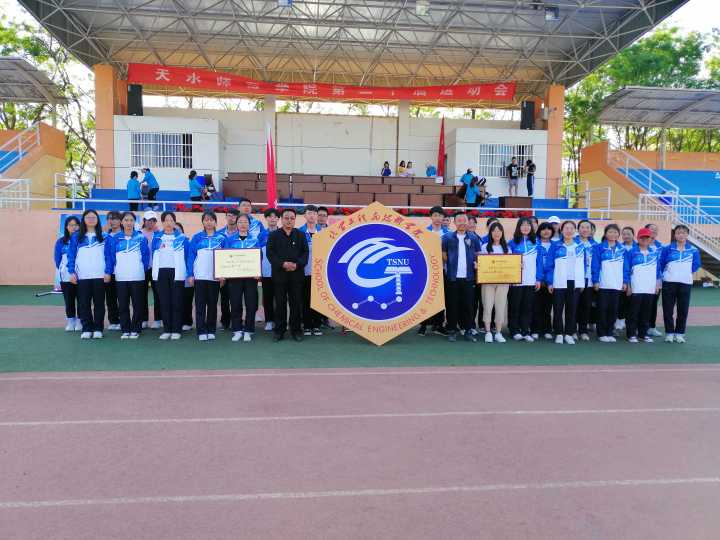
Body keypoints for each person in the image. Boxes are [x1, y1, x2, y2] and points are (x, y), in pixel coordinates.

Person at [104, 211, 150, 339]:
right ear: (121, 222)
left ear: (134, 222)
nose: (129, 223)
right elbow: (110, 257)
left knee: (137, 304)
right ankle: (125, 329)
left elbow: (146, 257)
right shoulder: (114, 239)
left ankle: (135, 328)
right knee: (123, 305)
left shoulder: (141, 238)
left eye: (131, 220)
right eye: (126, 220)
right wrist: (109, 271)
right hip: (121, 277)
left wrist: (140, 269)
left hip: (138, 277)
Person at [267, 208, 308, 342]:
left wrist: (297, 265)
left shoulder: (301, 235)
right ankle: (279, 331)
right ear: (281, 219)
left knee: (296, 304)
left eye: (292, 218)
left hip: (296, 275)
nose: (289, 220)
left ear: (295, 220)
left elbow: (305, 253)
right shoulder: (274, 235)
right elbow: (270, 254)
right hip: (279, 275)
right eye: (286, 218)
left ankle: (296, 330)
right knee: (280, 304)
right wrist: (283, 264)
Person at [223, 214, 264, 342]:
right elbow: (225, 257)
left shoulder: (254, 240)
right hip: (234, 278)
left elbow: (259, 256)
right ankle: (237, 329)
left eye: (245, 222)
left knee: (251, 304)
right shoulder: (230, 240)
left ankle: (248, 330)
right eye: (240, 222)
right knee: (235, 303)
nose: (243, 224)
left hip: (251, 277)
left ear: (249, 225)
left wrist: (257, 272)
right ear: (236, 224)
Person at [66, 209, 106, 339]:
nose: (91, 219)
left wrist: (108, 272)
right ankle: (87, 328)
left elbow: (109, 256)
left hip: (99, 275)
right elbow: (71, 255)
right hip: (82, 276)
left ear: (97, 220)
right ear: (83, 220)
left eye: (94, 217)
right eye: (88, 217)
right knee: (84, 304)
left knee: (99, 304)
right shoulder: (76, 237)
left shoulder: (104, 236)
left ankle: (98, 328)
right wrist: (71, 272)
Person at [442, 212, 481, 342]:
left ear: (467, 222)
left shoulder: (473, 238)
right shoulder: (447, 237)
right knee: (452, 305)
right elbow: (443, 255)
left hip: (469, 278)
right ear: (454, 222)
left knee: (468, 306)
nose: (462, 223)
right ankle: (452, 330)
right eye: (459, 220)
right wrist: (450, 265)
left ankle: (468, 330)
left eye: (464, 220)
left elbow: (478, 254)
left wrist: (477, 263)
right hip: (452, 278)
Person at [546, 220, 585, 345]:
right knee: (557, 309)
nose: (569, 231)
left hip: (575, 282)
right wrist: (550, 282)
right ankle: (558, 333)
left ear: (575, 231)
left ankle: (568, 334)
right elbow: (549, 265)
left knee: (571, 309)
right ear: (561, 230)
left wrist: (581, 282)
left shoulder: (580, 246)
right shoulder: (555, 245)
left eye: (571, 228)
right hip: (559, 281)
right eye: (566, 228)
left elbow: (583, 265)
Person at [150, 211, 189, 340]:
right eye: (166, 220)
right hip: (161, 272)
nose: (169, 223)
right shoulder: (157, 237)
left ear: (174, 222)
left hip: (177, 272)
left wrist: (188, 273)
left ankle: (177, 329)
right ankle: (167, 329)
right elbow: (153, 254)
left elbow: (187, 256)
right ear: (162, 222)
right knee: (164, 301)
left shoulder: (182, 238)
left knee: (177, 301)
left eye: (171, 220)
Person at [187, 211, 224, 341]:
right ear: (202, 222)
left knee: (213, 305)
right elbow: (191, 256)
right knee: (200, 305)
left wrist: (223, 275)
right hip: (200, 276)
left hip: (215, 277)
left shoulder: (221, 238)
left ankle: (211, 329)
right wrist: (190, 274)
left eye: (211, 220)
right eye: (206, 220)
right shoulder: (197, 237)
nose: (209, 222)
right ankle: (201, 330)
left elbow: (226, 258)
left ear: (215, 222)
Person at [659, 224, 701, 343]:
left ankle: (680, 333)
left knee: (683, 309)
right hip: (669, 282)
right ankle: (669, 333)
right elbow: (661, 263)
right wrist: (667, 274)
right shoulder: (668, 248)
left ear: (687, 235)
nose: (681, 235)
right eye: (678, 233)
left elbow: (696, 264)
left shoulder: (693, 250)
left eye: (683, 233)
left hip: (685, 283)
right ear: (675, 235)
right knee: (668, 309)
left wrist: (685, 272)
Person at [623, 228, 662, 343]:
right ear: (638, 238)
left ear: (651, 239)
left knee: (646, 312)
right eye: (642, 237)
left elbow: (658, 270)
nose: (644, 239)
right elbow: (626, 269)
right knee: (633, 312)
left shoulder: (654, 253)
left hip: (649, 287)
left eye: (647, 237)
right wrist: (628, 285)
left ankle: (643, 334)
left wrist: (657, 284)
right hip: (636, 287)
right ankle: (631, 334)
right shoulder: (631, 252)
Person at [508, 217, 542, 342]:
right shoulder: (512, 243)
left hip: (531, 280)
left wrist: (538, 279)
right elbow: (508, 262)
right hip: (516, 281)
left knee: (527, 307)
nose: (526, 227)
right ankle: (514, 330)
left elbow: (539, 263)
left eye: (528, 225)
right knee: (515, 306)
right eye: (523, 225)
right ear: (519, 227)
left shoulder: (537, 243)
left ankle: (525, 330)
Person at [591, 224, 626, 343]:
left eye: (615, 232)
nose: (613, 234)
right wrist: (596, 280)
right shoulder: (599, 247)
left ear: (618, 234)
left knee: (613, 309)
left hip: (617, 284)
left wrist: (625, 281)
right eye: (610, 232)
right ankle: (601, 333)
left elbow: (625, 267)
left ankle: (609, 332)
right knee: (602, 309)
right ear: (605, 234)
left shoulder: (622, 249)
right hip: (603, 284)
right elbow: (595, 265)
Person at [418, 206, 449, 336]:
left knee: (440, 299)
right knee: (426, 298)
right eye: (435, 215)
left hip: (443, 270)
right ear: (431, 217)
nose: (437, 218)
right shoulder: (424, 232)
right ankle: (423, 325)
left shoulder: (448, 234)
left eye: (440, 215)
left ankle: (439, 325)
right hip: (428, 272)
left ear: (443, 218)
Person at [480, 222, 510, 343]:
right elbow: (481, 263)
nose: (497, 233)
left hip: (503, 282)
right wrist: (478, 265)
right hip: (488, 282)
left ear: (502, 233)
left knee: (500, 306)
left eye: (499, 230)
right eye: (494, 230)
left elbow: (511, 264)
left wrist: (518, 266)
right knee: (487, 306)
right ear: (490, 233)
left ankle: (498, 332)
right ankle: (488, 332)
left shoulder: (507, 248)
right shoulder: (484, 247)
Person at [54, 216, 82, 331]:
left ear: (80, 226)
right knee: (69, 300)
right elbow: (57, 259)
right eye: (71, 225)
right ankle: (71, 321)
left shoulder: (82, 240)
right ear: (66, 227)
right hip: (66, 276)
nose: (73, 227)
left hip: (81, 275)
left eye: (76, 225)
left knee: (82, 299)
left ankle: (80, 321)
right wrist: (64, 270)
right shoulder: (61, 241)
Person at [299, 205, 323, 336]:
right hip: (304, 271)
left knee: (318, 300)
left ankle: (317, 325)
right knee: (306, 299)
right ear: (305, 215)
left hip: (320, 273)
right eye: (309, 213)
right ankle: (307, 325)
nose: (312, 215)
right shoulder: (299, 232)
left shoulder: (324, 232)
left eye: (314, 213)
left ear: (317, 216)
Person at [218, 208, 240, 331]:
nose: (231, 218)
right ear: (226, 217)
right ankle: (225, 321)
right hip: (224, 271)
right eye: (229, 215)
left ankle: (237, 321)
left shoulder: (243, 233)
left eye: (234, 216)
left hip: (238, 271)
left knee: (236, 298)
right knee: (224, 298)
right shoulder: (219, 234)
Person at [531, 222, 554, 340]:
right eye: (543, 229)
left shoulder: (556, 245)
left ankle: (547, 329)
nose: (546, 231)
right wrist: (538, 278)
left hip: (550, 282)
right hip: (537, 281)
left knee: (547, 307)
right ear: (539, 231)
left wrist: (550, 281)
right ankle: (535, 329)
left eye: (549, 229)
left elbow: (554, 265)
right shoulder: (534, 244)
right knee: (536, 307)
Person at [576, 220, 597, 340]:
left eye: (587, 227)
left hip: (589, 280)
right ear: (578, 229)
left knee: (586, 305)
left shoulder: (595, 245)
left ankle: (583, 330)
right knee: (574, 305)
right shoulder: (573, 243)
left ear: (591, 230)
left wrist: (595, 279)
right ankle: (571, 329)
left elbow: (597, 263)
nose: (585, 230)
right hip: (576, 278)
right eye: (582, 227)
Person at [140, 210, 161, 329]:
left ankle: (158, 319)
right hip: (143, 268)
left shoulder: (159, 234)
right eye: (148, 220)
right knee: (142, 294)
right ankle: (144, 319)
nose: (151, 222)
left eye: (153, 220)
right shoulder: (138, 234)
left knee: (158, 294)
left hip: (156, 268)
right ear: (144, 221)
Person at [261, 208, 280, 331]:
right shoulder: (261, 235)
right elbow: (257, 254)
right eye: (270, 216)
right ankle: (269, 320)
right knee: (267, 297)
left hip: (280, 271)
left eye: (275, 216)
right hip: (266, 272)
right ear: (266, 218)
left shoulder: (282, 233)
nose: (272, 219)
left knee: (280, 297)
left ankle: (279, 320)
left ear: (278, 219)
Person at [644, 223, 664, 337]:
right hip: (641, 279)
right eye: (651, 229)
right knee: (641, 303)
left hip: (656, 279)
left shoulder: (661, 246)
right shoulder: (639, 245)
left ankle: (651, 327)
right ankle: (639, 326)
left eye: (656, 230)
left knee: (653, 303)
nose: (654, 231)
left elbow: (664, 261)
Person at [616, 226, 637, 331]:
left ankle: (632, 323)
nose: (626, 236)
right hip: (622, 278)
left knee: (634, 302)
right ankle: (620, 321)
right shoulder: (619, 248)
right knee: (621, 300)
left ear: (633, 235)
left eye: (628, 234)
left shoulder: (638, 247)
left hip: (637, 278)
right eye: (624, 234)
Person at [174, 222, 194, 332]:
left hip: (186, 276)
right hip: (174, 276)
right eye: (174, 230)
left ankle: (187, 321)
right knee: (176, 300)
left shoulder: (187, 242)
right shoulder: (169, 243)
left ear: (182, 231)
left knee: (187, 300)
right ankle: (177, 321)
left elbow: (190, 259)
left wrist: (190, 274)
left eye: (178, 230)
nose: (176, 232)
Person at [104, 211, 122, 331]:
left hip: (122, 272)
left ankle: (123, 320)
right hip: (109, 272)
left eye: (115, 218)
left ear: (120, 221)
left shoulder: (125, 235)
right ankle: (113, 320)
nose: (112, 221)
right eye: (109, 219)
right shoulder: (105, 237)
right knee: (110, 298)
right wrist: (107, 271)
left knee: (123, 298)